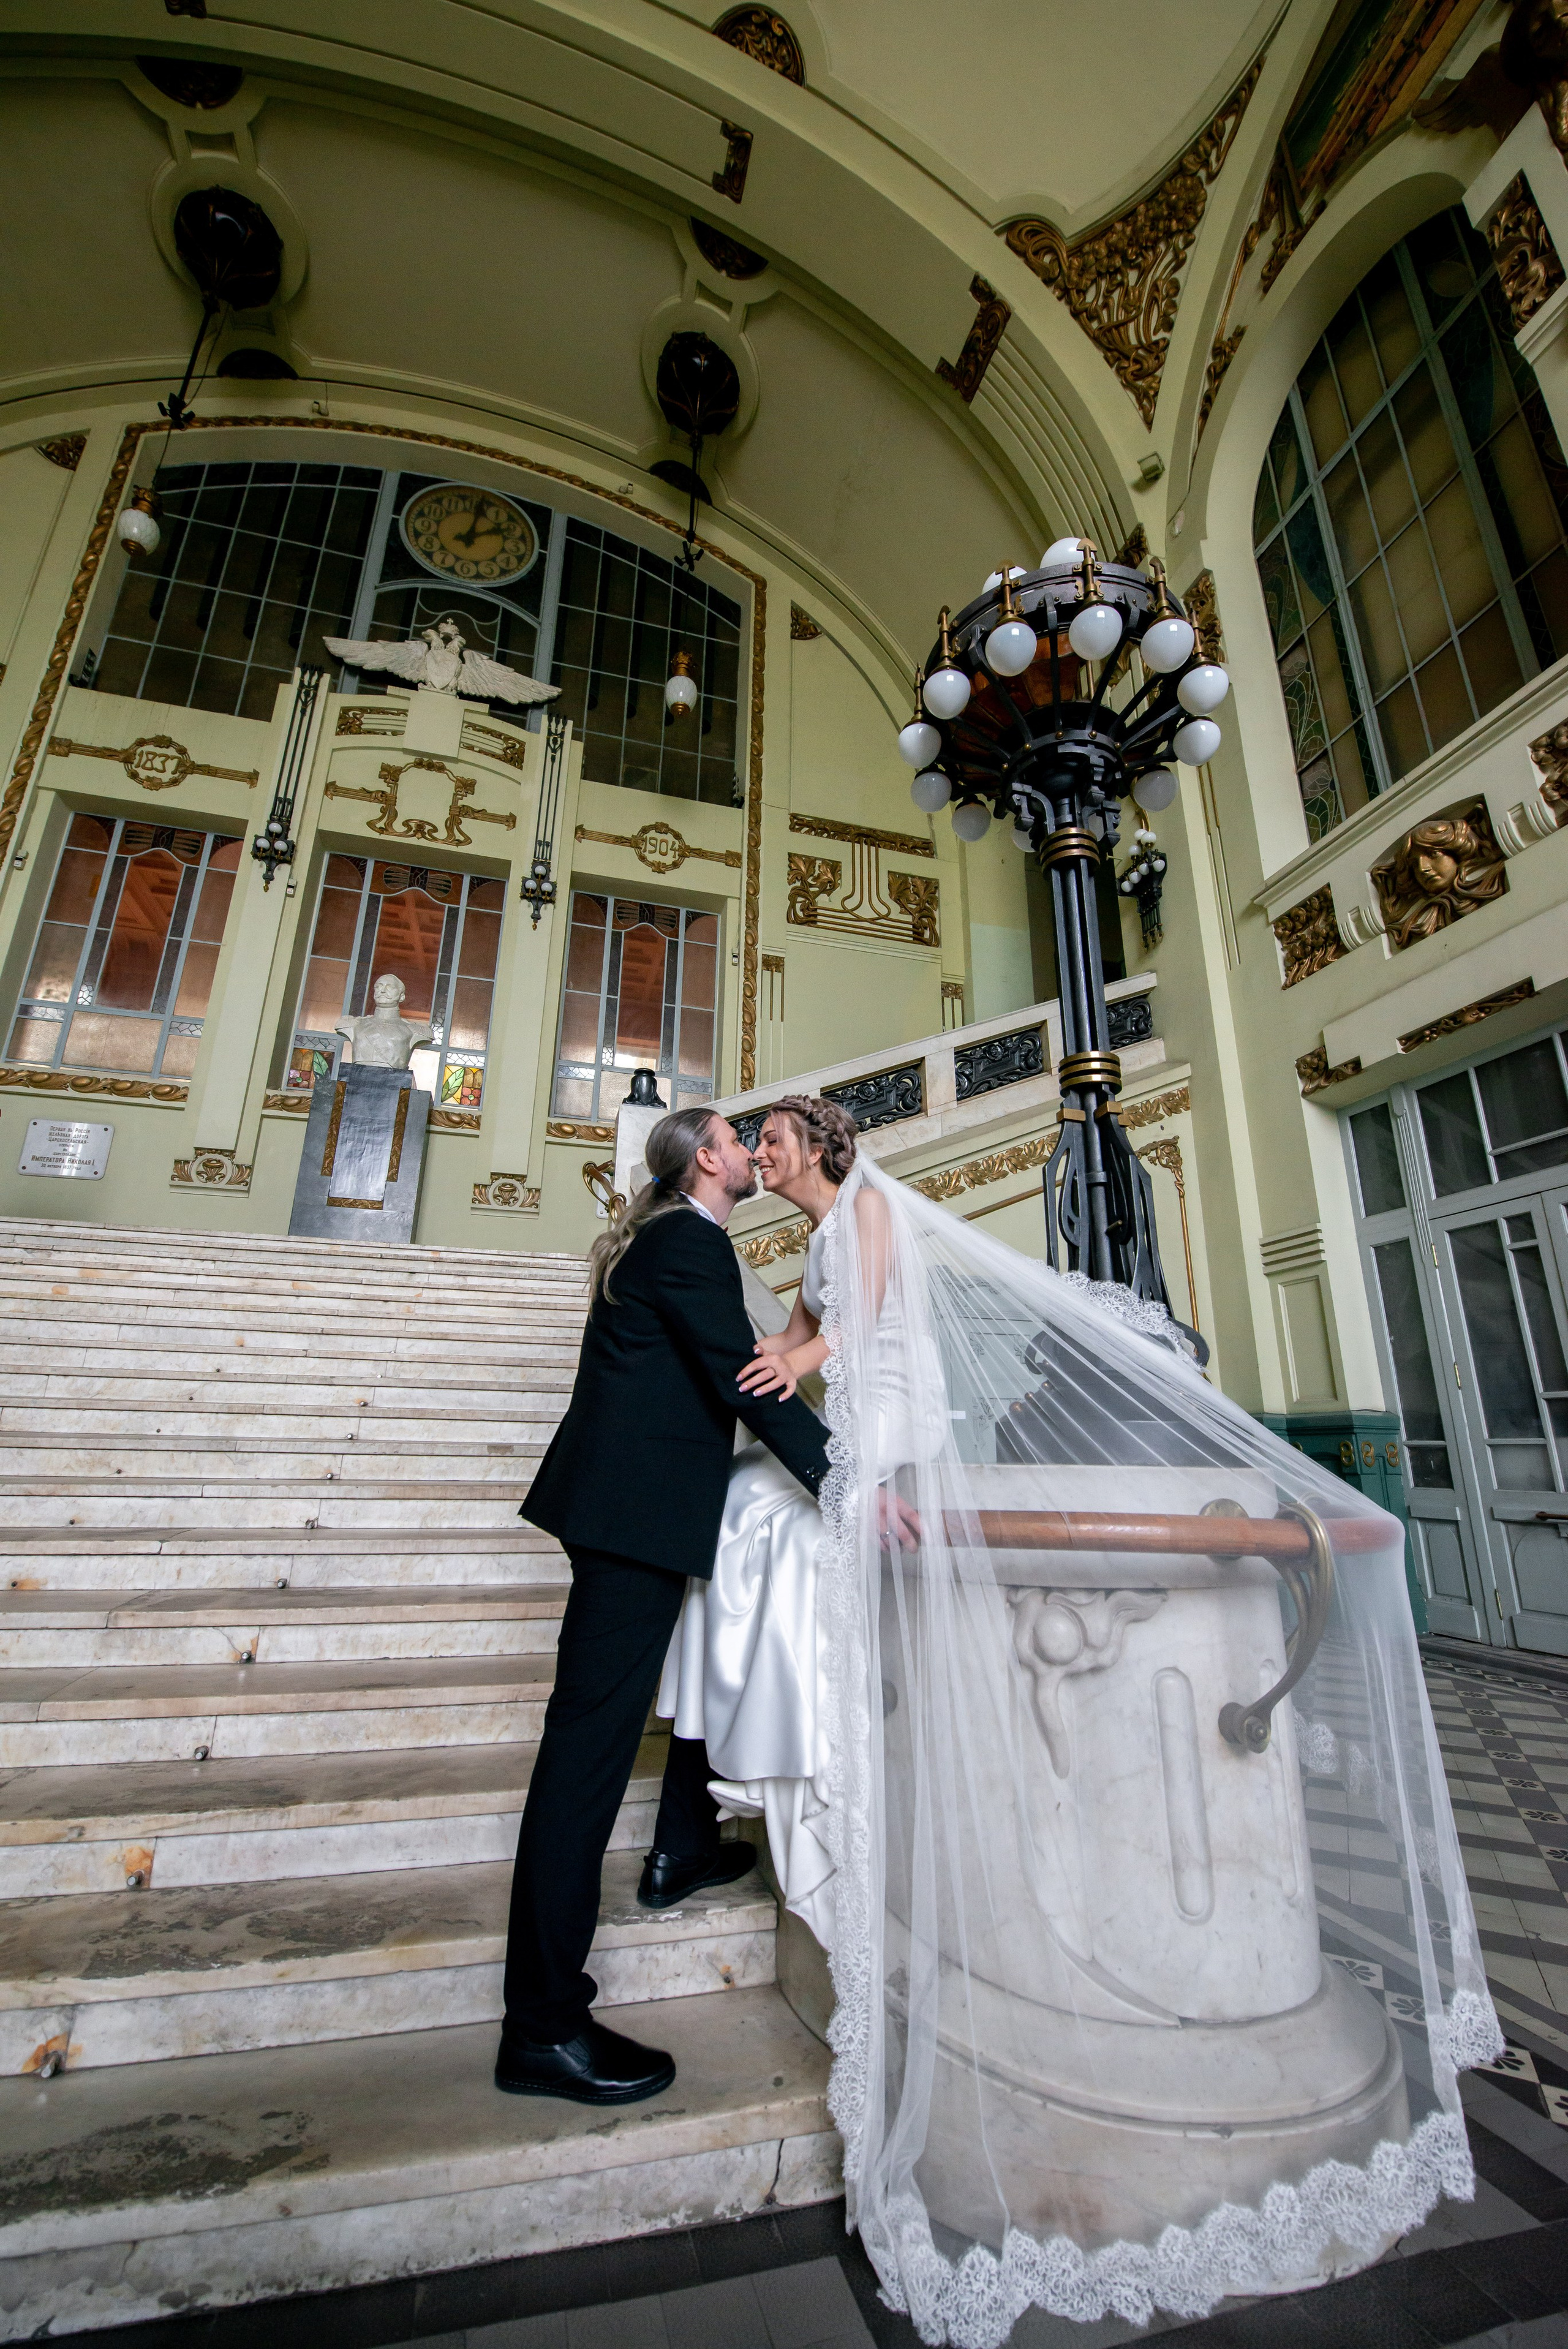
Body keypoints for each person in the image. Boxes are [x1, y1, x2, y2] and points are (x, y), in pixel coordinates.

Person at [658, 1095, 1503, 2346]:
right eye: (755, 1140)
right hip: (847, 1431)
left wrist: (804, 1365)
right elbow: (792, 1337)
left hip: (892, 1437)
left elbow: (858, 1328)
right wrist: (755, 1356)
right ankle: (777, 1748)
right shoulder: (813, 1238)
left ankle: (787, 1752)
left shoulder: (871, 1211)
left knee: (771, 1529)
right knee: (741, 1511)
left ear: (822, 1148)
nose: (763, 1147)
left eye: (777, 1135)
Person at [497, 1104, 834, 2107]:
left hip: (639, 1519)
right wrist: (846, 1485)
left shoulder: (673, 1239)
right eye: (736, 1137)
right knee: (583, 1768)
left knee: (699, 1658)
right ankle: (543, 2027)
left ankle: (685, 1844)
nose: (751, 1148)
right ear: (705, 1162)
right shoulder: (686, 1244)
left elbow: (757, 1361)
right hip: (631, 1526)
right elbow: (748, 1384)